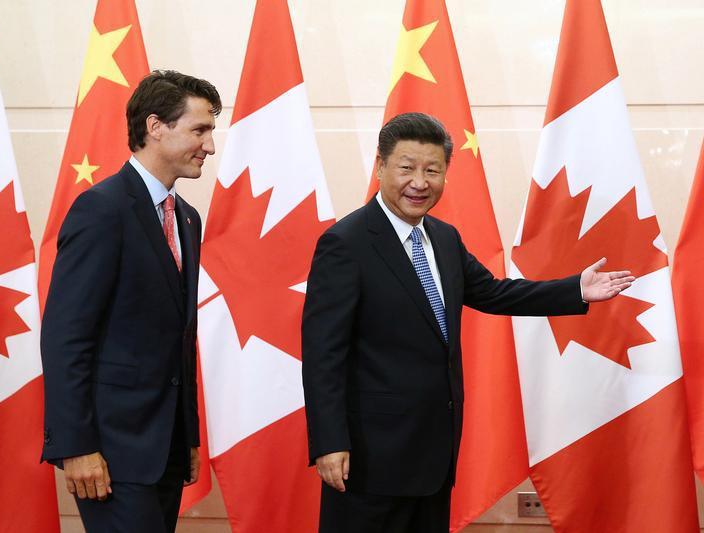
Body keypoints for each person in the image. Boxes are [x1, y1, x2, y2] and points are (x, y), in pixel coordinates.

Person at [301, 112, 634, 533]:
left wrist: (574, 290)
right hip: (370, 455)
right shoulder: (345, 244)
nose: (419, 182)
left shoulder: (443, 238)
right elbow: (322, 354)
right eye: (406, 168)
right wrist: (330, 442)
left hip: (434, 451)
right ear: (381, 167)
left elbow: (493, 292)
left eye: (432, 170)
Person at [41, 70, 221, 532]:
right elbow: (66, 337)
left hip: (164, 450)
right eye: (200, 130)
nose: (210, 146)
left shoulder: (186, 218)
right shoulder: (101, 208)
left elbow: (179, 338)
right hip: (110, 450)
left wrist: (189, 436)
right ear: (156, 126)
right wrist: (76, 446)